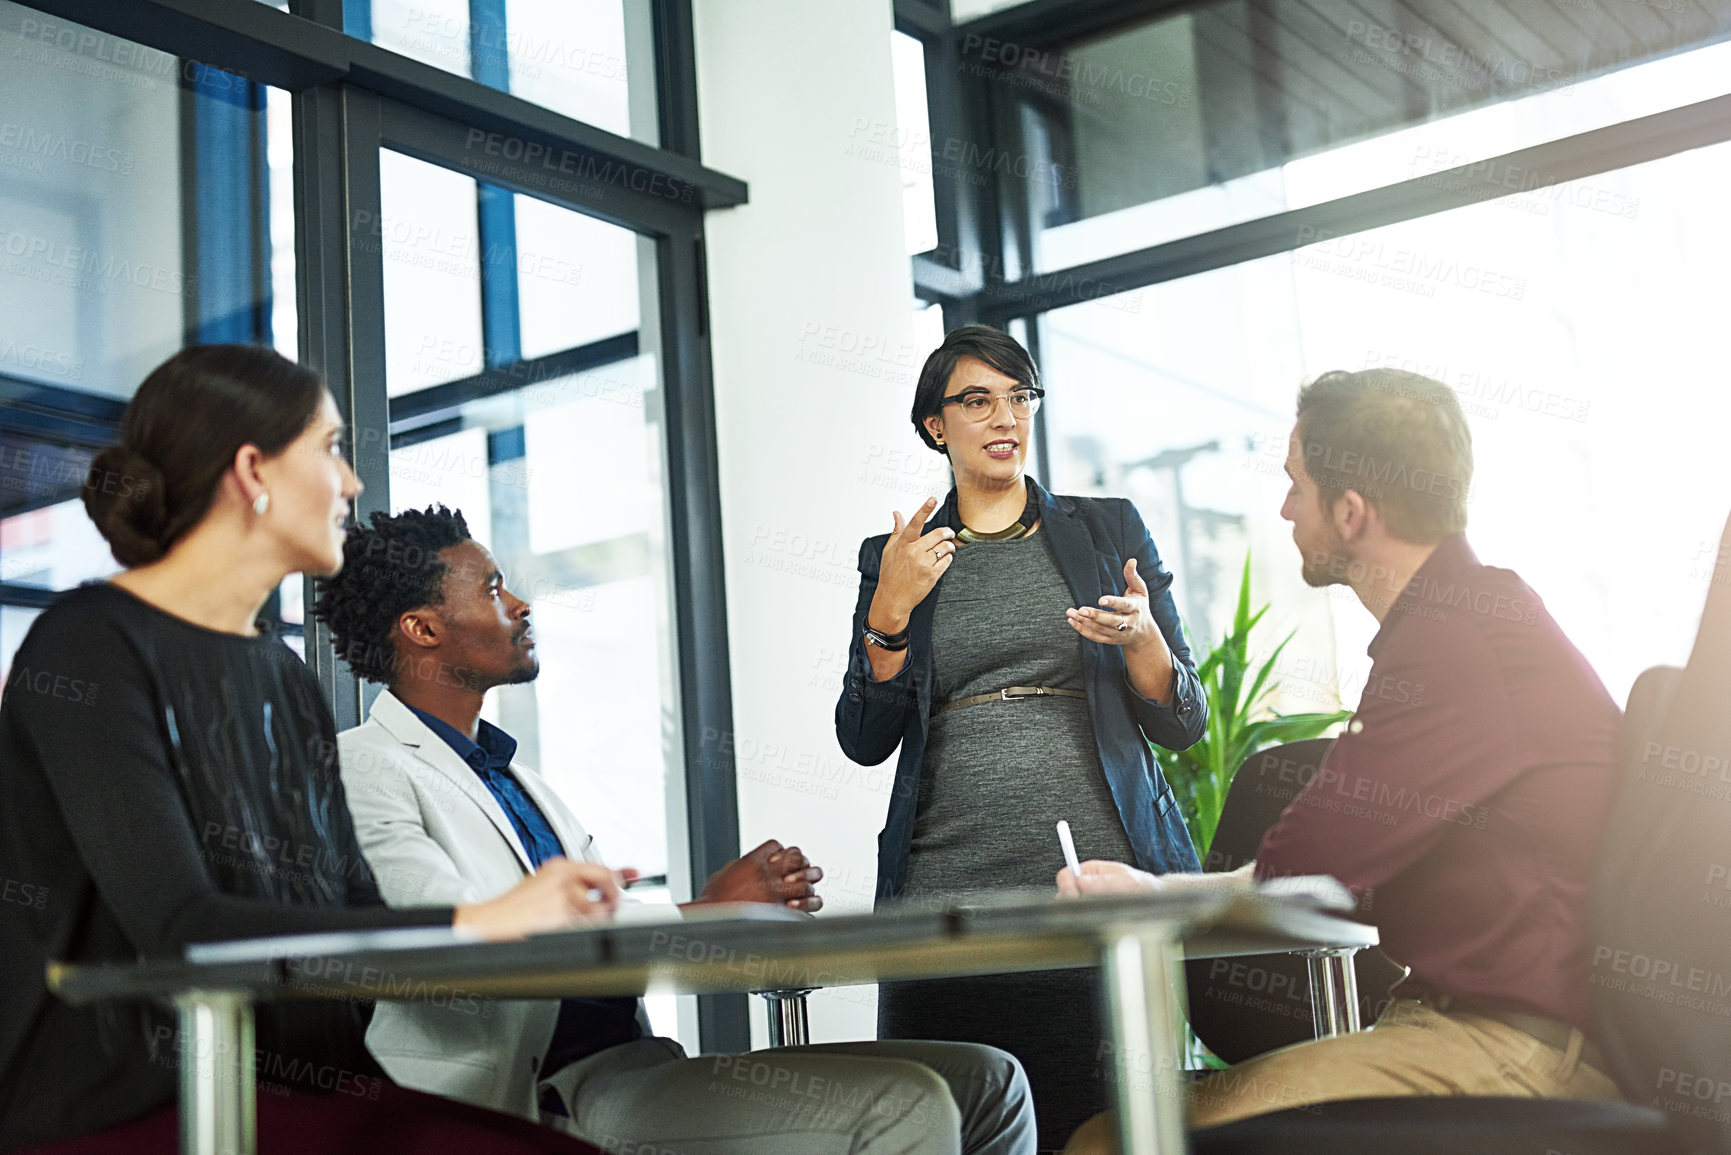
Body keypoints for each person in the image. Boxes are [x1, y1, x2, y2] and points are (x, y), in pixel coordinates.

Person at [0, 346, 628, 1154]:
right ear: (253, 469)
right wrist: (481, 920)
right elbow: (184, 927)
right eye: (330, 448)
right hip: (125, 1105)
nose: (352, 482)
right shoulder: (89, 644)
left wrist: (534, 922)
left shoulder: (283, 676)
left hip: (304, 1088)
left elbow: (355, 919)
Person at [315, 505, 1037, 1155]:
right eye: (493, 587)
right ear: (423, 628)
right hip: (541, 1095)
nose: (520, 603)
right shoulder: (366, 766)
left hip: (634, 1062)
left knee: (989, 1078)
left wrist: (720, 903)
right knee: (905, 1107)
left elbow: (600, 920)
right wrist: (701, 911)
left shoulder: (517, 781)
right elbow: (450, 936)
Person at [1057, 368, 1627, 1152]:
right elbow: (1321, 872)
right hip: (1474, 1027)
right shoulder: (1472, 618)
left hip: (1511, 1051)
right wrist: (1158, 887)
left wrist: (1149, 891)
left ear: (1351, 511)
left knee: (1111, 1141)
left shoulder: (1453, 644)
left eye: (1296, 486)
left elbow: (1299, 866)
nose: (1285, 508)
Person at [835, 325, 1208, 1148]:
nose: (1004, 417)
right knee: (947, 1123)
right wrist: (886, 614)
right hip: (943, 903)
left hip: (1091, 895)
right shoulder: (894, 556)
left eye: (1019, 396)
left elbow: (1182, 720)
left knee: (1104, 1126)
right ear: (936, 424)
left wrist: (1143, 638)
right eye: (977, 399)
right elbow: (863, 736)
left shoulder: (1106, 531)